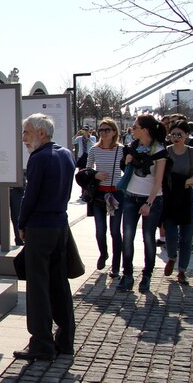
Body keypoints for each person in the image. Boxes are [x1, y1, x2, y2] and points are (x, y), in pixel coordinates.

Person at [14, 113, 76, 361]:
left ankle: (41, 342)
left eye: (26, 133)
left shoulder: (39, 159)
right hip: (60, 225)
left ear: (41, 132)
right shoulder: (66, 154)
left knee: (38, 287)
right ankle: (65, 338)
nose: (23, 139)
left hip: (40, 228)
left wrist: (22, 224)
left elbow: (30, 196)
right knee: (59, 283)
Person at [119, 114, 167, 292]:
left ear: (145, 130)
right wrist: (126, 161)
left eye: (135, 126)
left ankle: (147, 275)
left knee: (148, 238)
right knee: (128, 236)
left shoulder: (159, 150)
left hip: (151, 199)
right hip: (131, 196)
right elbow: (125, 169)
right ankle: (128, 274)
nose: (133, 129)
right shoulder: (132, 147)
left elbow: (158, 181)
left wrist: (149, 203)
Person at [162, 119, 193, 285]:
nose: (176, 137)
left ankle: (182, 271)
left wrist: (192, 180)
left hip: (187, 195)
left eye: (179, 134)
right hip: (171, 197)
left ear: (187, 135)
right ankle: (172, 257)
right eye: (173, 134)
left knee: (187, 238)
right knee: (171, 235)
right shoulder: (166, 152)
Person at [85, 118, 123, 278]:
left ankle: (115, 266)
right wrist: (95, 174)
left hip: (116, 193)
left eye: (107, 129)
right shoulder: (94, 149)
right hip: (99, 194)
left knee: (115, 231)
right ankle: (103, 253)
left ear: (114, 132)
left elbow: (127, 170)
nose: (103, 132)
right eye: (101, 130)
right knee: (100, 230)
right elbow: (86, 170)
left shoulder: (121, 150)